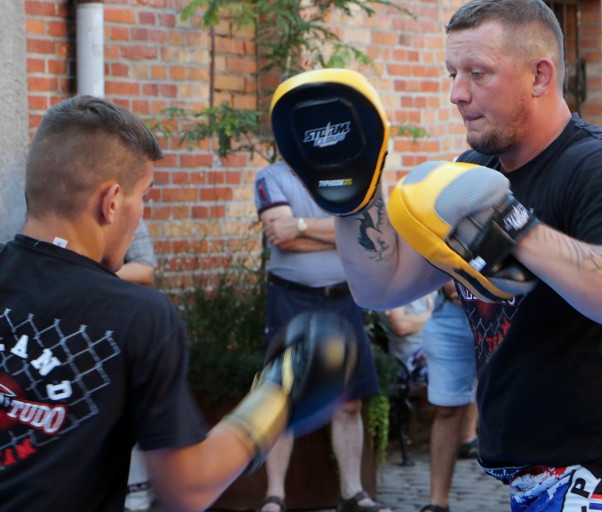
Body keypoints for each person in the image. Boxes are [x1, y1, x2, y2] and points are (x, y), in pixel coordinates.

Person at [330, 0, 602, 511]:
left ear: (540, 76)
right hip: (535, 480)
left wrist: (515, 228)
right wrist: (352, 195)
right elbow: (380, 287)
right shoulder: (476, 170)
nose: (457, 93)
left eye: (478, 73)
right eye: (452, 72)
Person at [0, 95, 350, 512]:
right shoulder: (135, 316)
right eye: (143, 195)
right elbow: (187, 488)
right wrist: (279, 396)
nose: (140, 212)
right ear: (111, 202)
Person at [254, 160, 390, 512]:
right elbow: (281, 238)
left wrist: (300, 226)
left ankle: (352, 493)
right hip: (290, 298)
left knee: (350, 401)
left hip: (344, 299)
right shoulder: (272, 176)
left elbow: (367, 230)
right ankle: (275, 496)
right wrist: (341, 234)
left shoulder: (346, 174)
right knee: (280, 398)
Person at [420, 281, 479, 512]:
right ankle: (437, 503)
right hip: (451, 315)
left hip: (507, 312)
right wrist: (446, 280)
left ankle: (531, 494)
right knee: (447, 408)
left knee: (515, 403)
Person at [117, 219, 158, 512]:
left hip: (119, 326)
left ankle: (137, 499)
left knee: (128, 413)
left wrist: (84, 274)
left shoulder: (126, 213)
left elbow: (145, 269)